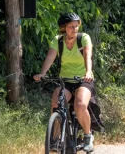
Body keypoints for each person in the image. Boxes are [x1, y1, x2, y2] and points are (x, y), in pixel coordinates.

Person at [33, 13, 96, 152]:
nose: (75, 29)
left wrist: (88, 72)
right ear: (63, 28)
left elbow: (88, 56)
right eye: (71, 26)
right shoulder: (58, 40)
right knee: (56, 102)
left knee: (80, 105)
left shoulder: (83, 38)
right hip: (65, 80)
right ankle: (54, 138)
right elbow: (50, 57)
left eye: (76, 25)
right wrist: (43, 73)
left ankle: (87, 136)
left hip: (83, 79)